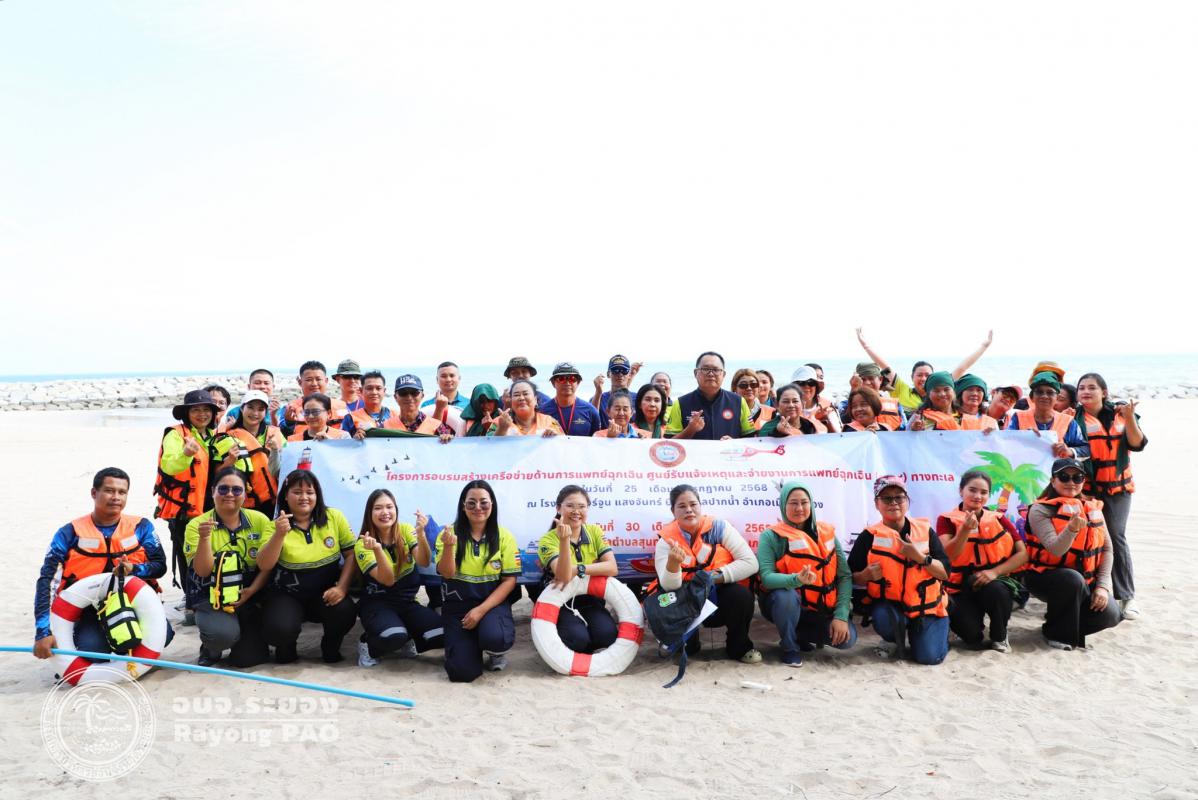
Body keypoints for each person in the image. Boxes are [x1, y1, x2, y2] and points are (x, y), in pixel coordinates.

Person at [34, 468, 171, 661]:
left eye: (122, 492)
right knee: (93, 652)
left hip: (133, 601)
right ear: (94, 493)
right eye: (109, 490)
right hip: (87, 607)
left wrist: (134, 569)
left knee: (165, 635)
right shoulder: (69, 533)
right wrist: (42, 631)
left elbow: (160, 566)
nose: (116, 497)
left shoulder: (141, 527)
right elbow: (46, 581)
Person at [254, 470, 358, 663]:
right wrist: (279, 535)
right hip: (287, 594)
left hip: (323, 593)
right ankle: (287, 647)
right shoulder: (275, 525)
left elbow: (351, 555)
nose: (304, 497)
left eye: (310, 492)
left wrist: (342, 587)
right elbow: (264, 564)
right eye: (297, 492)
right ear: (286, 495)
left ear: (317, 495)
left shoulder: (334, 517)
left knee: (345, 610)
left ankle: (330, 645)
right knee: (279, 631)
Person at [651, 485, 762, 663]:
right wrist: (673, 564)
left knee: (742, 596)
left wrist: (711, 578)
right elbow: (668, 586)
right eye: (681, 506)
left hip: (718, 594)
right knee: (685, 651)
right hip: (684, 599)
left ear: (700, 506)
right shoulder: (666, 541)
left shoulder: (719, 528)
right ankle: (689, 642)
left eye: (693, 504)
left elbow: (750, 563)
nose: (689, 510)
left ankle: (739, 647)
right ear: (673, 511)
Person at [1022, 458, 1122, 650]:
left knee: (1111, 614)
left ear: (1083, 481)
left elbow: (1108, 549)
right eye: (1064, 477)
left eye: (1077, 478)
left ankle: (1057, 622)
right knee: (1072, 579)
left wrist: (1102, 586)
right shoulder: (1039, 510)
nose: (1071, 482)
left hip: (1084, 580)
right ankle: (1056, 634)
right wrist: (1072, 529)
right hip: (1045, 578)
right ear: (1053, 480)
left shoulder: (1092, 508)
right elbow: (1055, 549)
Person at [849, 476, 950, 665]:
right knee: (884, 618)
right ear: (877, 504)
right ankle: (893, 639)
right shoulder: (869, 536)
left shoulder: (926, 531)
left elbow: (945, 572)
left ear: (907, 501)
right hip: (890, 606)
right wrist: (864, 576)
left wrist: (920, 557)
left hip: (926, 606)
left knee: (930, 657)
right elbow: (850, 576)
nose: (893, 502)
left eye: (899, 497)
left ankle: (931, 634)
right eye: (886, 498)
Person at [154, 389, 240, 604]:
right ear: (187, 413)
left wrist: (229, 463)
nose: (202, 414)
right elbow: (169, 466)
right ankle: (192, 600)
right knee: (187, 555)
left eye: (206, 410)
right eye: (196, 410)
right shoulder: (175, 434)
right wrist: (186, 454)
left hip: (208, 506)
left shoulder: (211, 436)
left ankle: (210, 594)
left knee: (210, 550)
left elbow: (210, 475)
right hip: (184, 509)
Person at [756, 482, 856, 667]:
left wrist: (841, 616)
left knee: (847, 641)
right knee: (785, 596)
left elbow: (845, 576)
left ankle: (799, 635)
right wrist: (796, 580)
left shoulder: (827, 533)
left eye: (804, 502)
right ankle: (789, 647)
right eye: (793, 503)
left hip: (820, 609)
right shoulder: (770, 536)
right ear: (783, 505)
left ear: (811, 504)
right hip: (784, 604)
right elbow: (767, 578)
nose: (799, 508)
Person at [184, 468, 273, 667]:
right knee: (221, 636)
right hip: (212, 596)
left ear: (245, 493)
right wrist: (204, 539)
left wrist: (252, 591)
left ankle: (245, 637)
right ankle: (211, 648)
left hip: (249, 595)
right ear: (213, 491)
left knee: (247, 659)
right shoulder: (197, 525)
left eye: (236, 490)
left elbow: (267, 566)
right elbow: (202, 571)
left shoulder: (260, 520)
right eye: (223, 489)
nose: (230, 494)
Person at [1076, 373, 1147, 620]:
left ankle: (1127, 596)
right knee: (1087, 538)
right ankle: (1089, 593)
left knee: (1116, 537)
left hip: (1118, 490)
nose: (1086, 391)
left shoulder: (1121, 414)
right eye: (1082, 388)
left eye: (1092, 387)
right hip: (1088, 491)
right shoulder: (1073, 419)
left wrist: (1130, 417)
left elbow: (1137, 444)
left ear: (1104, 392)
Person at [435, 480, 521, 682]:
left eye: (484, 502)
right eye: (471, 503)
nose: (478, 508)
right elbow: (447, 573)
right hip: (458, 608)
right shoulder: (447, 534)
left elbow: (509, 581)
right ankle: (469, 645)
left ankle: (494, 651)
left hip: (491, 605)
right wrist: (449, 547)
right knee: (461, 673)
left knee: (495, 638)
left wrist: (481, 611)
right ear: (463, 506)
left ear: (492, 504)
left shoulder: (504, 537)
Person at [936, 470, 1027, 653]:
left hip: (991, 581)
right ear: (961, 490)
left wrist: (994, 572)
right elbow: (947, 556)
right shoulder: (946, 520)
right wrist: (964, 530)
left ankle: (1000, 636)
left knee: (998, 591)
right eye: (972, 490)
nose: (978, 496)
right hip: (959, 588)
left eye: (983, 492)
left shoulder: (999, 519)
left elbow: (1023, 554)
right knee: (972, 637)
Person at [353, 489, 444, 666]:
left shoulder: (405, 530)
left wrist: (421, 535)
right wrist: (378, 549)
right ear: (369, 513)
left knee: (443, 633)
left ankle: (407, 636)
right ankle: (368, 644)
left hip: (407, 603)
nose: (385, 512)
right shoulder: (364, 543)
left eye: (389, 507)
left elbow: (424, 561)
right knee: (393, 636)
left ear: (396, 509)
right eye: (378, 508)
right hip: (377, 605)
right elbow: (388, 580)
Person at [536, 486, 619, 654]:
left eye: (582, 506)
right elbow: (563, 576)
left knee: (607, 636)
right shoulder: (547, 540)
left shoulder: (594, 531)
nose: (576, 511)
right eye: (570, 506)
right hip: (561, 601)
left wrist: (578, 569)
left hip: (590, 599)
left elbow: (612, 568)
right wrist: (564, 540)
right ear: (558, 508)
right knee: (577, 640)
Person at [854, 327, 994, 413]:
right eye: (919, 375)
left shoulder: (942, 394)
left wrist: (984, 346)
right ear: (912, 377)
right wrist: (866, 346)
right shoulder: (902, 390)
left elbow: (962, 367)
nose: (923, 378)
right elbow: (885, 367)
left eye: (927, 375)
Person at [664, 352, 756, 440]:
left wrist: (733, 443)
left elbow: (751, 439)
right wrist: (690, 429)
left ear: (723, 374)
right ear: (696, 373)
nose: (711, 374)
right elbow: (669, 444)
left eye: (716, 370)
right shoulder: (680, 403)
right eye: (705, 369)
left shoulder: (738, 402)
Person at [223, 390, 286, 511]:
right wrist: (230, 460)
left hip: (275, 500)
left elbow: (288, 464)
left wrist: (276, 450)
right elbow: (220, 471)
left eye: (261, 409)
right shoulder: (229, 436)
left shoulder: (275, 433)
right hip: (242, 501)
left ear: (265, 412)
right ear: (242, 408)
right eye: (250, 407)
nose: (255, 413)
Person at [1006, 372, 1091, 459]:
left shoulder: (1068, 422)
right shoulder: (1018, 418)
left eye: (1050, 392)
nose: (1044, 396)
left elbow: (1086, 449)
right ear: (1032, 397)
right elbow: (1006, 444)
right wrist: (1022, 437)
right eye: (1039, 392)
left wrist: (1070, 451)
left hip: (1058, 467)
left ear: (1057, 397)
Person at [908, 372, 998, 431]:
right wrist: (913, 432)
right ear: (928, 394)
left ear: (954, 392)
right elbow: (906, 446)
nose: (942, 394)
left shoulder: (965, 417)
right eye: (936, 390)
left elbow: (974, 443)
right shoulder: (919, 417)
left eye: (946, 389)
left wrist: (991, 434)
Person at [280, 361, 349, 437]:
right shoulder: (290, 409)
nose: (314, 384)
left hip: (336, 443)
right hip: (302, 444)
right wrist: (289, 422)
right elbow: (283, 436)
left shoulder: (342, 406)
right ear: (300, 382)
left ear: (326, 381)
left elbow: (350, 434)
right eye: (309, 380)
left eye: (318, 379)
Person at [539, 363, 604, 437]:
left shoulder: (590, 411)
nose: (567, 383)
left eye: (572, 379)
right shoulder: (542, 411)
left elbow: (597, 441)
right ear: (553, 383)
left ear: (578, 383)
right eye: (561, 379)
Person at [383, 374, 456, 437]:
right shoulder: (385, 426)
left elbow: (449, 446)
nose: (409, 397)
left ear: (422, 396)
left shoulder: (437, 426)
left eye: (414, 392)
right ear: (395, 397)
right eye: (403, 393)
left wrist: (447, 438)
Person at [840, 363, 906, 430]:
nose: (867, 383)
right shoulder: (845, 404)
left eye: (871, 378)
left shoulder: (895, 404)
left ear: (880, 379)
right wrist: (854, 388)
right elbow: (844, 421)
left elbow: (905, 429)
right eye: (863, 380)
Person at [488, 379, 562, 436]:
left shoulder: (549, 422)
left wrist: (555, 437)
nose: (521, 398)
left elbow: (563, 445)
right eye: (516, 395)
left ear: (535, 399)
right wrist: (501, 429)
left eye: (525, 394)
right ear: (511, 401)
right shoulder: (499, 422)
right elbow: (488, 447)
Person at [341, 371, 398, 438]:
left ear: (384, 391)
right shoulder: (350, 418)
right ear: (361, 390)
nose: (374, 392)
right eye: (369, 388)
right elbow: (343, 442)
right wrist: (354, 440)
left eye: (378, 388)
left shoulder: (395, 415)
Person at [591, 354, 642, 426]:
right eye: (615, 370)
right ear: (608, 374)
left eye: (624, 371)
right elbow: (592, 419)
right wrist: (598, 392)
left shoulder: (637, 398)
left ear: (629, 374)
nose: (620, 374)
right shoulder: (599, 398)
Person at [756, 384, 820, 436]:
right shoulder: (768, 428)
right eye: (786, 401)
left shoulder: (810, 426)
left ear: (803, 404)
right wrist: (778, 433)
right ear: (777, 405)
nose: (791, 405)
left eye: (795, 401)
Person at [792, 366, 841, 432]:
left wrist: (828, 420)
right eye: (801, 383)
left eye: (811, 382)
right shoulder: (788, 409)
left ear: (816, 386)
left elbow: (839, 435)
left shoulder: (827, 408)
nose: (807, 386)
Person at [285, 393, 350, 441]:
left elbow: (347, 455)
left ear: (329, 413)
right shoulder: (293, 441)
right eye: (306, 412)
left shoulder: (342, 437)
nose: (310, 416)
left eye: (315, 412)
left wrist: (330, 442)